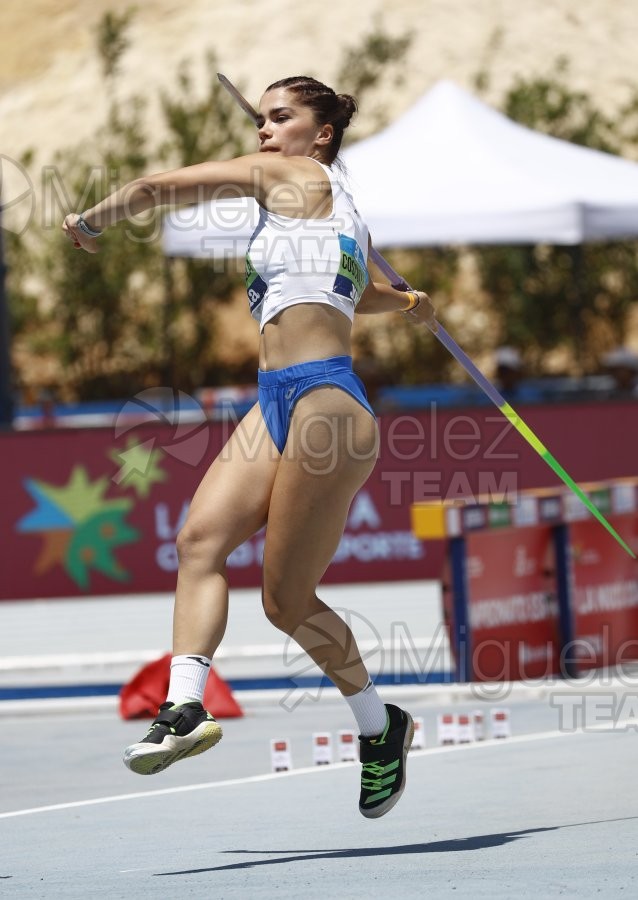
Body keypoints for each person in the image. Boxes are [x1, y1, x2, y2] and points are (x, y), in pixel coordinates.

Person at [63, 75, 437, 819]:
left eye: (281, 117)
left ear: (319, 134)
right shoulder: (335, 211)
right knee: (199, 540)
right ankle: (184, 708)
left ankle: (379, 726)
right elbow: (347, 290)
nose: (264, 130)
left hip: (327, 402)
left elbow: (155, 186)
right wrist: (406, 304)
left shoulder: (291, 174)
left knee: (285, 600)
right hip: (273, 401)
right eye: (262, 118)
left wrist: (92, 221)